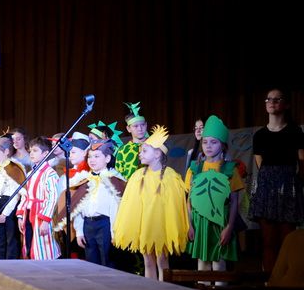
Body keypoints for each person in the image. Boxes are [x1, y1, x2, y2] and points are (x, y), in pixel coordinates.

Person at [113, 125, 189, 280]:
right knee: (148, 261)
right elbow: (130, 204)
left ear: (157, 154)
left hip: (161, 226)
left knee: (162, 260)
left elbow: (174, 207)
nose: (140, 154)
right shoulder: (137, 176)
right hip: (146, 225)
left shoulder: (171, 177)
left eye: (144, 151)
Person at [249, 87, 304, 272]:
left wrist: (294, 184)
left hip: (288, 188)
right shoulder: (260, 135)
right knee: (268, 242)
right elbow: (260, 165)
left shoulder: (295, 131)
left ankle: (288, 282)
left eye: (277, 99)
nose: (271, 102)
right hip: (267, 189)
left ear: (286, 104)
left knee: (287, 241)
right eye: (268, 99)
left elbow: (302, 162)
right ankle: (270, 282)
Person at [185, 115, 243, 276]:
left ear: (222, 145)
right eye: (205, 142)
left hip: (220, 223)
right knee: (202, 263)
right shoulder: (194, 169)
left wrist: (229, 227)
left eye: (213, 142)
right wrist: (189, 224)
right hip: (199, 223)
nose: (208, 146)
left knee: (219, 263)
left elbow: (234, 201)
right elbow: (189, 199)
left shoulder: (230, 169)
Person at [65, 141, 126, 267]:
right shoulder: (84, 180)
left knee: (107, 262)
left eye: (97, 156)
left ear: (107, 158)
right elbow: (79, 207)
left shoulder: (114, 180)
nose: (92, 160)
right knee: (91, 263)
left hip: (105, 225)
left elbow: (115, 209)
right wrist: (79, 231)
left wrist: (114, 233)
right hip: (88, 225)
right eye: (90, 157)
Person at [17, 137, 61, 260]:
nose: (31, 153)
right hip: (29, 213)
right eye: (30, 150)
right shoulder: (30, 173)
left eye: (35, 151)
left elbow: (52, 198)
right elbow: (25, 195)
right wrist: (20, 215)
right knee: (30, 243)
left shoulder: (50, 174)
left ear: (45, 153)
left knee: (43, 247)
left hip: (41, 215)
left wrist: (45, 220)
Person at [115, 102, 149, 180]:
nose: (140, 129)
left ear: (146, 125)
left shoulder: (154, 146)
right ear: (128, 129)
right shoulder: (123, 150)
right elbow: (118, 177)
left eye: (142, 125)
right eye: (135, 126)